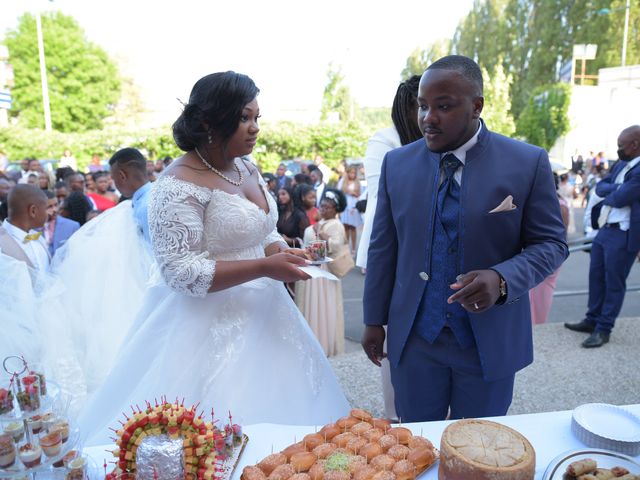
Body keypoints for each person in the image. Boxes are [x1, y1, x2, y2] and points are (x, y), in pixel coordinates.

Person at [78, 71, 349, 446]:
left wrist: (278, 250)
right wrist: (263, 267)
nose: (254, 128)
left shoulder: (245, 166)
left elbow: (263, 226)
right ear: (209, 121)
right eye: (243, 118)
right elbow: (179, 271)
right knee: (215, 438)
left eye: (257, 117)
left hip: (270, 314)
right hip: (205, 326)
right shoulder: (177, 184)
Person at [361, 55, 568, 422]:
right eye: (423, 106)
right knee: (417, 442)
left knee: (481, 446)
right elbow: (383, 248)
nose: (428, 118)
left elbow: (552, 245)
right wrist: (374, 319)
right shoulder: (397, 164)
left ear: (477, 106)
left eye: (443, 106)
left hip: (487, 341)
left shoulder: (527, 162)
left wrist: (503, 278)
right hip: (415, 340)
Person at [356, 74, 423, 420]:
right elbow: (384, 202)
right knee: (396, 334)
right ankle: (397, 415)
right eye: (423, 107)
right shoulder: (385, 142)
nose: (431, 116)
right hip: (393, 249)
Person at [565, 125, 640, 348]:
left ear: (635, 145)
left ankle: (603, 329)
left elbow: (620, 197)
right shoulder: (621, 165)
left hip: (624, 233)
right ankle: (591, 320)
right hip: (605, 230)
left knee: (614, 282)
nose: (618, 150)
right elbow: (601, 186)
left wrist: (612, 191)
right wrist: (614, 189)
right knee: (596, 276)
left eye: (621, 146)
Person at [295, 189, 349, 356]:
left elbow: (337, 245)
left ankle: (325, 342)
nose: (323, 210)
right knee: (310, 303)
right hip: (311, 267)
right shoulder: (313, 226)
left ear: (335, 209)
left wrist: (324, 235)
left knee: (324, 304)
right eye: (322, 206)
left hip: (325, 271)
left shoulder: (336, 225)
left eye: (328, 207)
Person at [529, 174, 570, 324]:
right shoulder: (545, 201)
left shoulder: (560, 205)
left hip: (548, 256)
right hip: (536, 254)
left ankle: (537, 325)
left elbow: (560, 235)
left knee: (541, 296)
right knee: (532, 295)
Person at [0, 184, 50, 271]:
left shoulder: (38, 238)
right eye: (46, 208)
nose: (49, 213)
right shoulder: (2, 243)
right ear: (33, 211)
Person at [108, 148, 152, 243]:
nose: (114, 184)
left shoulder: (145, 206)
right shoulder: (156, 194)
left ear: (122, 175)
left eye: (113, 178)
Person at [43, 190, 80, 256]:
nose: (54, 209)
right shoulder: (31, 228)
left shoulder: (72, 226)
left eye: (56, 205)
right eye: (49, 207)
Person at [340, 166, 363, 255]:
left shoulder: (357, 182)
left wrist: (352, 192)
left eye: (354, 173)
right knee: (346, 227)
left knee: (353, 227)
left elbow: (360, 194)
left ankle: (353, 248)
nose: (352, 174)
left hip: (353, 206)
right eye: (351, 172)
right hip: (345, 206)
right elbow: (341, 192)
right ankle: (346, 248)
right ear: (348, 173)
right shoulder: (343, 181)